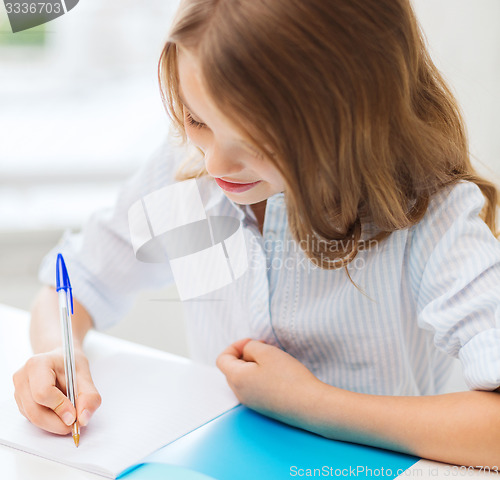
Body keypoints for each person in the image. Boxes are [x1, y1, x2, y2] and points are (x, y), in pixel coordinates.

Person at [13, 0, 500, 468]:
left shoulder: (431, 216)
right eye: (197, 119)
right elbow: (75, 282)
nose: (215, 164)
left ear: (351, 116)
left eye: (253, 140)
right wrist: (57, 351)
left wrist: (315, 404)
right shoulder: (185, 172)